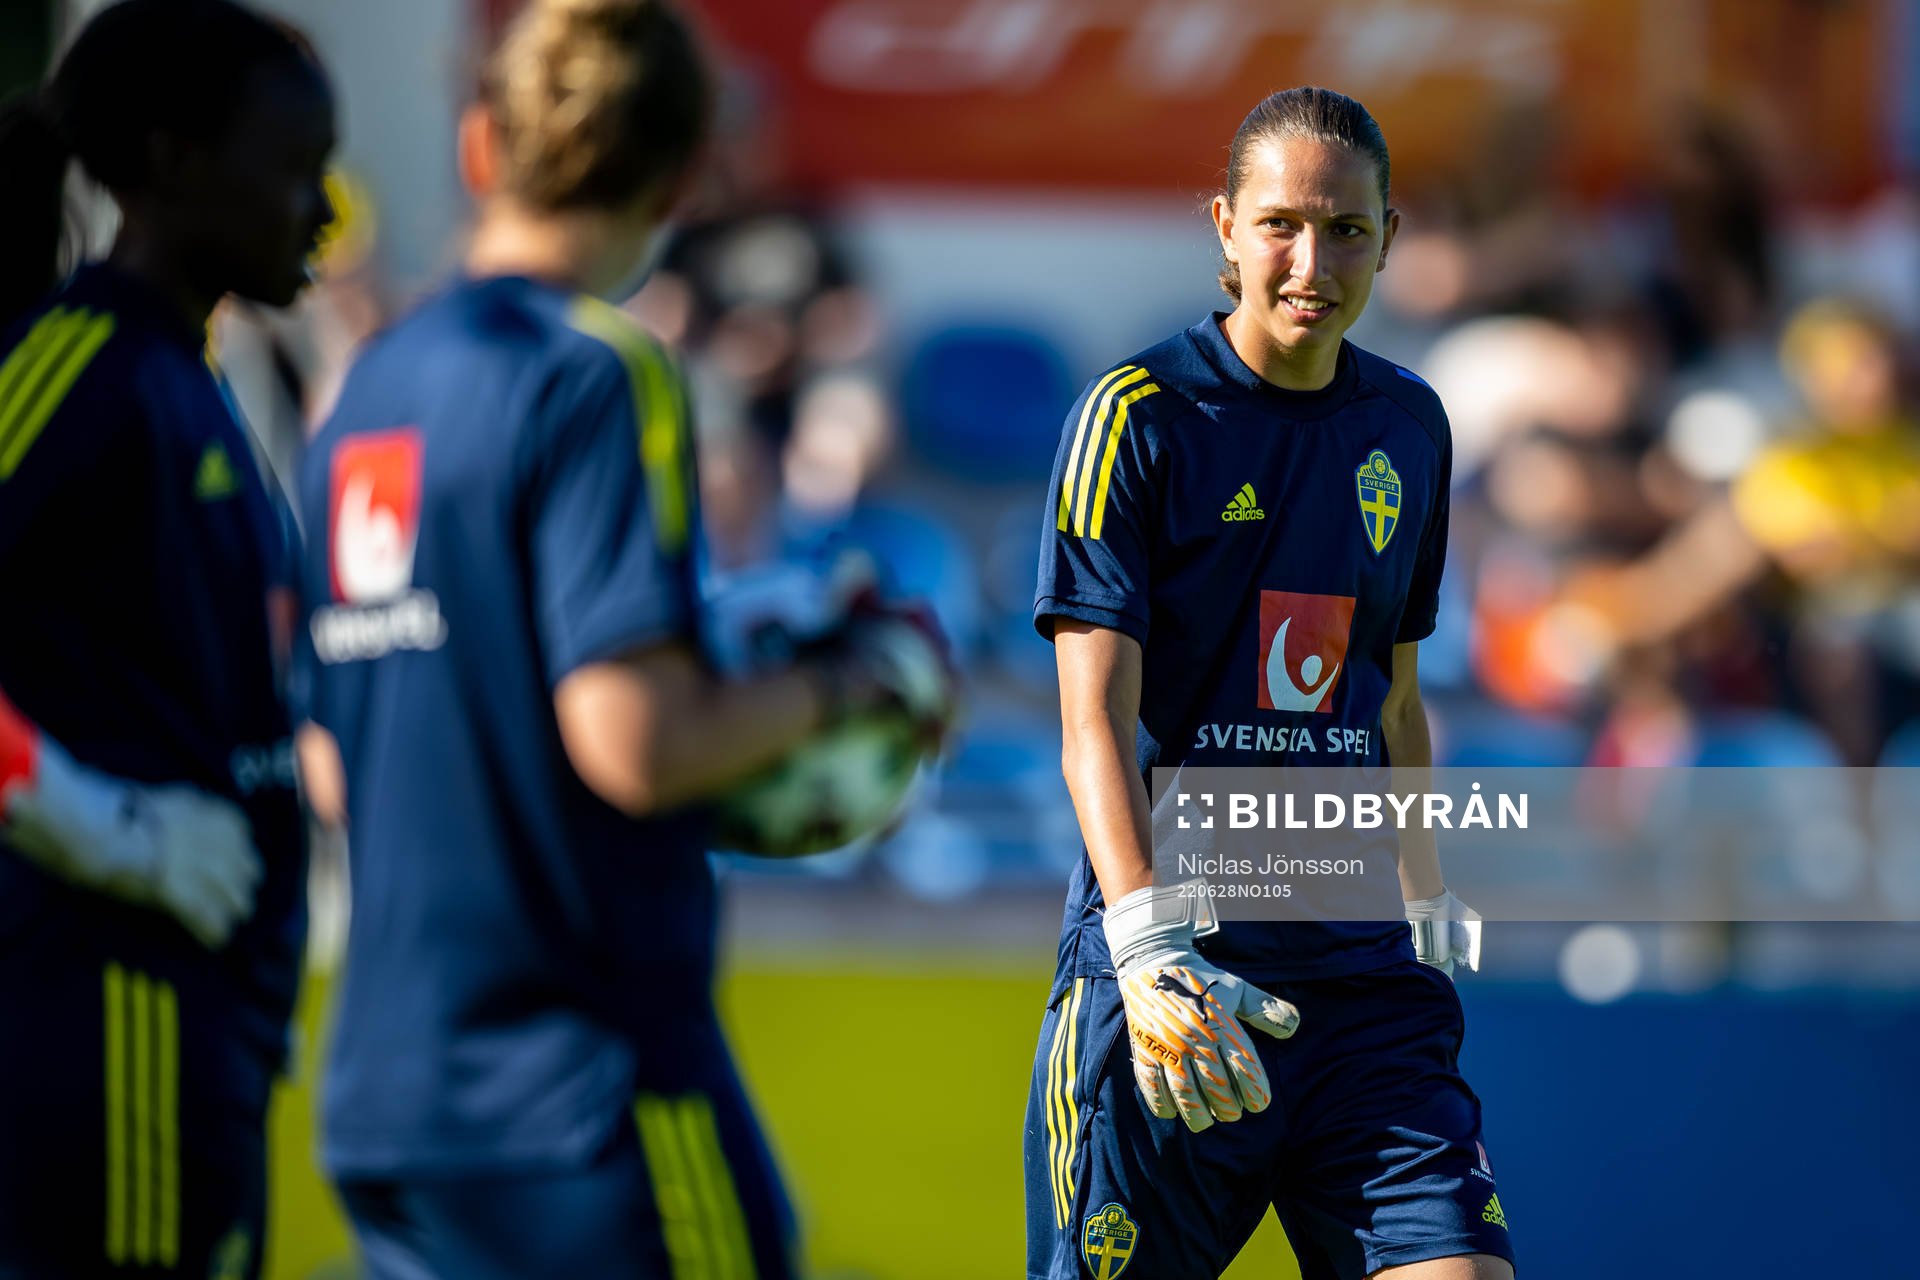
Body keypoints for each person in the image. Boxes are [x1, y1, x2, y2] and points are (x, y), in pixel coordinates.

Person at [291, 2, 950, 1276]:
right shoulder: (596, 370)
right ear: (681, 172)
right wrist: (847, 684)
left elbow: (333, 757)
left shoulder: (370, 382)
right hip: (584, 1098)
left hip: (388, 1100)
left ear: (482, 146)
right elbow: (635, 742)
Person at [1024, 88, 1514, 1280]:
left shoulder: (1411, 426)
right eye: (1283, 224)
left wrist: (1426, 894)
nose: (1312, 260)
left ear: (1390, 238)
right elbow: (1093, 711)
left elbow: (1394, 698)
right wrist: (1143, 946)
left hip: (1363, 995)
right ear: (1226, 228)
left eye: (1347, 229)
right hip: (1186, 979)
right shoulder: (1135, 417)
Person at [0, 2, 335, 1276]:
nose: (324, 212)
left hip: (200, 1014)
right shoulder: (76, 364)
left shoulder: (185, 380)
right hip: (112, 1001)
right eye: (297, 169)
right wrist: (95, 821)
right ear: (177, 163)